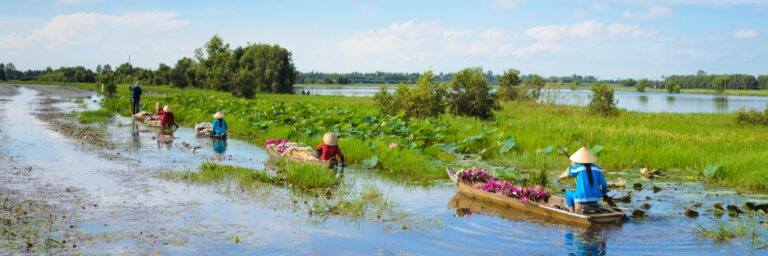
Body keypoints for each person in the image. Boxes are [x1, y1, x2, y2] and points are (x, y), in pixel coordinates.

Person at [557, 147, 608, 213]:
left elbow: (571, 174)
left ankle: (572, 212)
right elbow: (604, 183)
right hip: (596, 198)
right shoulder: (597, 168)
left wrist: (573, 165)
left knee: (568, 194)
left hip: (582, 198)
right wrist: (604, 193)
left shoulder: (577, 167)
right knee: (597, 191)